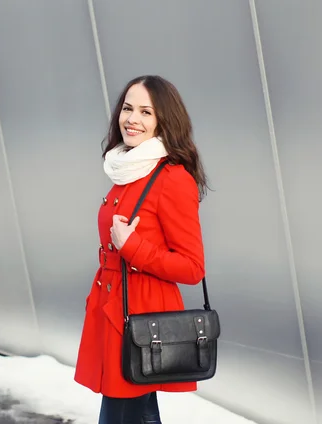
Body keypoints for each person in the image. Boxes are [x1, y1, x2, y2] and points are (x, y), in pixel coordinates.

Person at [74, 75, 209, 424]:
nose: (132, 118)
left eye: (146, 112)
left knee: (126, 410)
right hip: (112, 308)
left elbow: (192, 268)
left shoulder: (172, 178)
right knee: (130, 409)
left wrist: (132, 246)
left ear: (164, 120)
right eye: (128, 108)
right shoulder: (127, 168)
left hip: (141, 317)